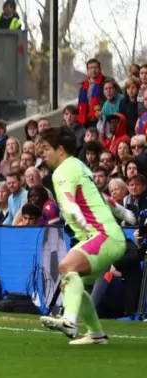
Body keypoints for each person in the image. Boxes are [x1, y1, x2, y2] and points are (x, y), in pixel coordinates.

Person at [37, 126, 136, 345]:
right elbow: (99, 195)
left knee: (66, 267)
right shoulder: (79, 166)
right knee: (70, 283)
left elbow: (69, 199)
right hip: (108, 236)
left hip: (102, 235)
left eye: (46, 149)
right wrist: (120, 211)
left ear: (60, 150)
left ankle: (69, 320)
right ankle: (96, 334)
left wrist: (77, 215)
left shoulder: (62, 171)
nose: (42, 154)